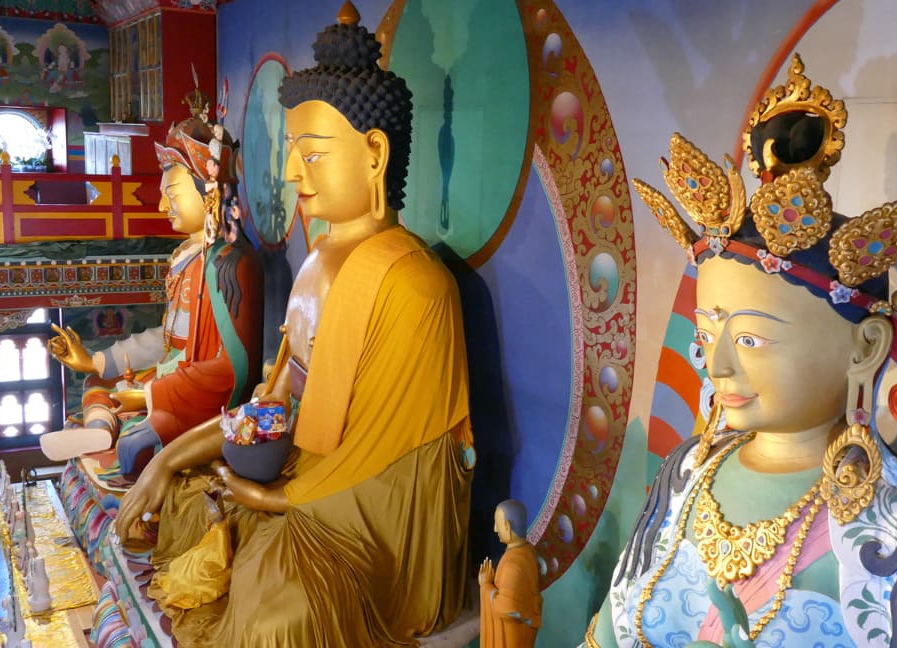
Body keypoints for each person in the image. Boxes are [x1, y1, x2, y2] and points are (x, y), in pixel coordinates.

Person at [586, 56, 897, 647]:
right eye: (707, 334)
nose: (717, 365)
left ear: (866, 347)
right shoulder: (684, 477)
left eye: (750, 340)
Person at [114, 5, 474, 646]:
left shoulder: (417, 285)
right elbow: (272, 408)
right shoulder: (317, 261)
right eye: (291, 152)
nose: (289, 173)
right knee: (186, 500)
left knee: (278, 617)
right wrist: (169, 459)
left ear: (375, 154)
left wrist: (281, 499)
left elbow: (401, 468)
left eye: (312, 154)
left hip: (357, 519)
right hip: (298, 474)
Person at [42, 95, 264, 479]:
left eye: (171, 194)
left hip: (198, 399)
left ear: (208, 192)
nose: (162, 206)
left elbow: (234, 371)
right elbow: (165, 339)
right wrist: (95, 361)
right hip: (170, 379)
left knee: (135, 445)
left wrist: (149, 396)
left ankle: (113, 430)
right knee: (96, 382)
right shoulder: (185, 256)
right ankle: (101, 429)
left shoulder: (231, 263)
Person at [479, 500, 542, 648]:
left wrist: (485, 585)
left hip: (511, 637)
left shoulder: (512, 565)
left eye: (497, 523)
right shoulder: (528, 550)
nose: (495, 529)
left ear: (507, 526)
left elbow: (506, 608)